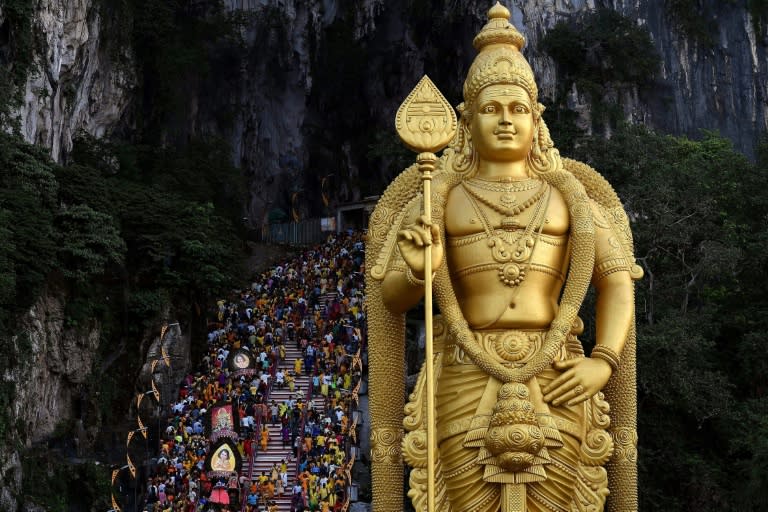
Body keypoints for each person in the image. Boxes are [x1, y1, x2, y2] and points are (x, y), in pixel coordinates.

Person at [367, 4, 641, 512]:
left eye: (517, 109)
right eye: (493, 109)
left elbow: (617, 280)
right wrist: (417, 271)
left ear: (536, 118)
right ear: (468, 120)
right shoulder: (438, 198)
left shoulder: (569, 196)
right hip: (465, 372)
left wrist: (603, 361)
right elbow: (391, 298)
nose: (506, 121)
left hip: (557, 371)